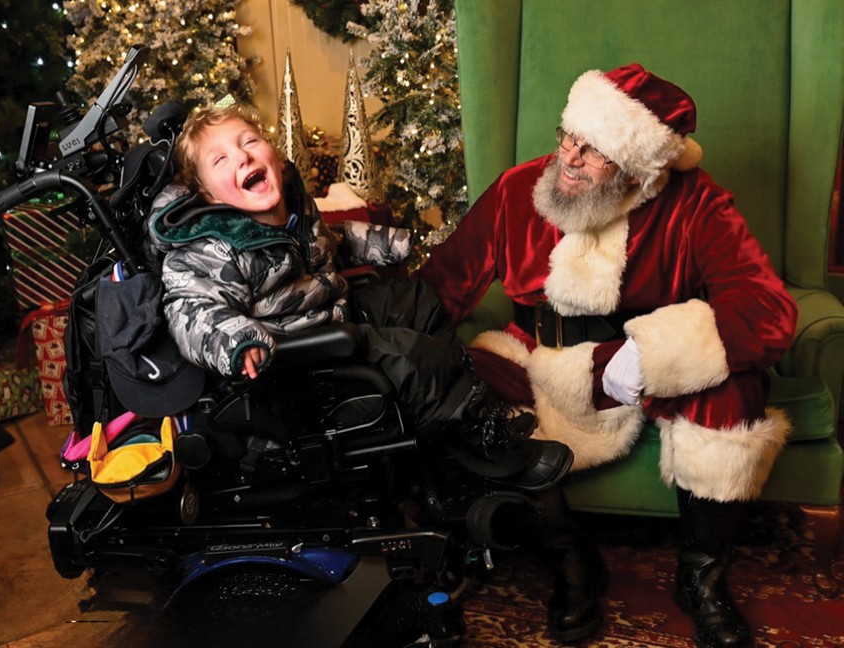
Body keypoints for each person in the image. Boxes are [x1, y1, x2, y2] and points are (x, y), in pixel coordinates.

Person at [417, 63, 797, 648]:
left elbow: (768, 310)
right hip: (535, 357)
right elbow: (440, 286)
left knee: (734, 387)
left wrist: (653, 354)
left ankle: (701, 578)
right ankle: (570, 559)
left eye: (593, 152)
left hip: (634, 376)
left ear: (639, 171)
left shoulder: (698, 204)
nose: (569, 157)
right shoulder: (521, 186)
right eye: (570, 136)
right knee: (458, 390)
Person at [147, 100, 573, 491]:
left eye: (250, 142)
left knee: (418, 303)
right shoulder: (212, 246)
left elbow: (326, 242)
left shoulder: (290, 206)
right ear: (207, 194)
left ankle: (444, 417)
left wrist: (385, 243)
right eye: (221, 159)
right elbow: (190, 308)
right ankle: (486, 446)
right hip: (295, 354)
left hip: (333, 312)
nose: (242, 156)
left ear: (273, 153)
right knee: (406, 355)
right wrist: (236, 340)